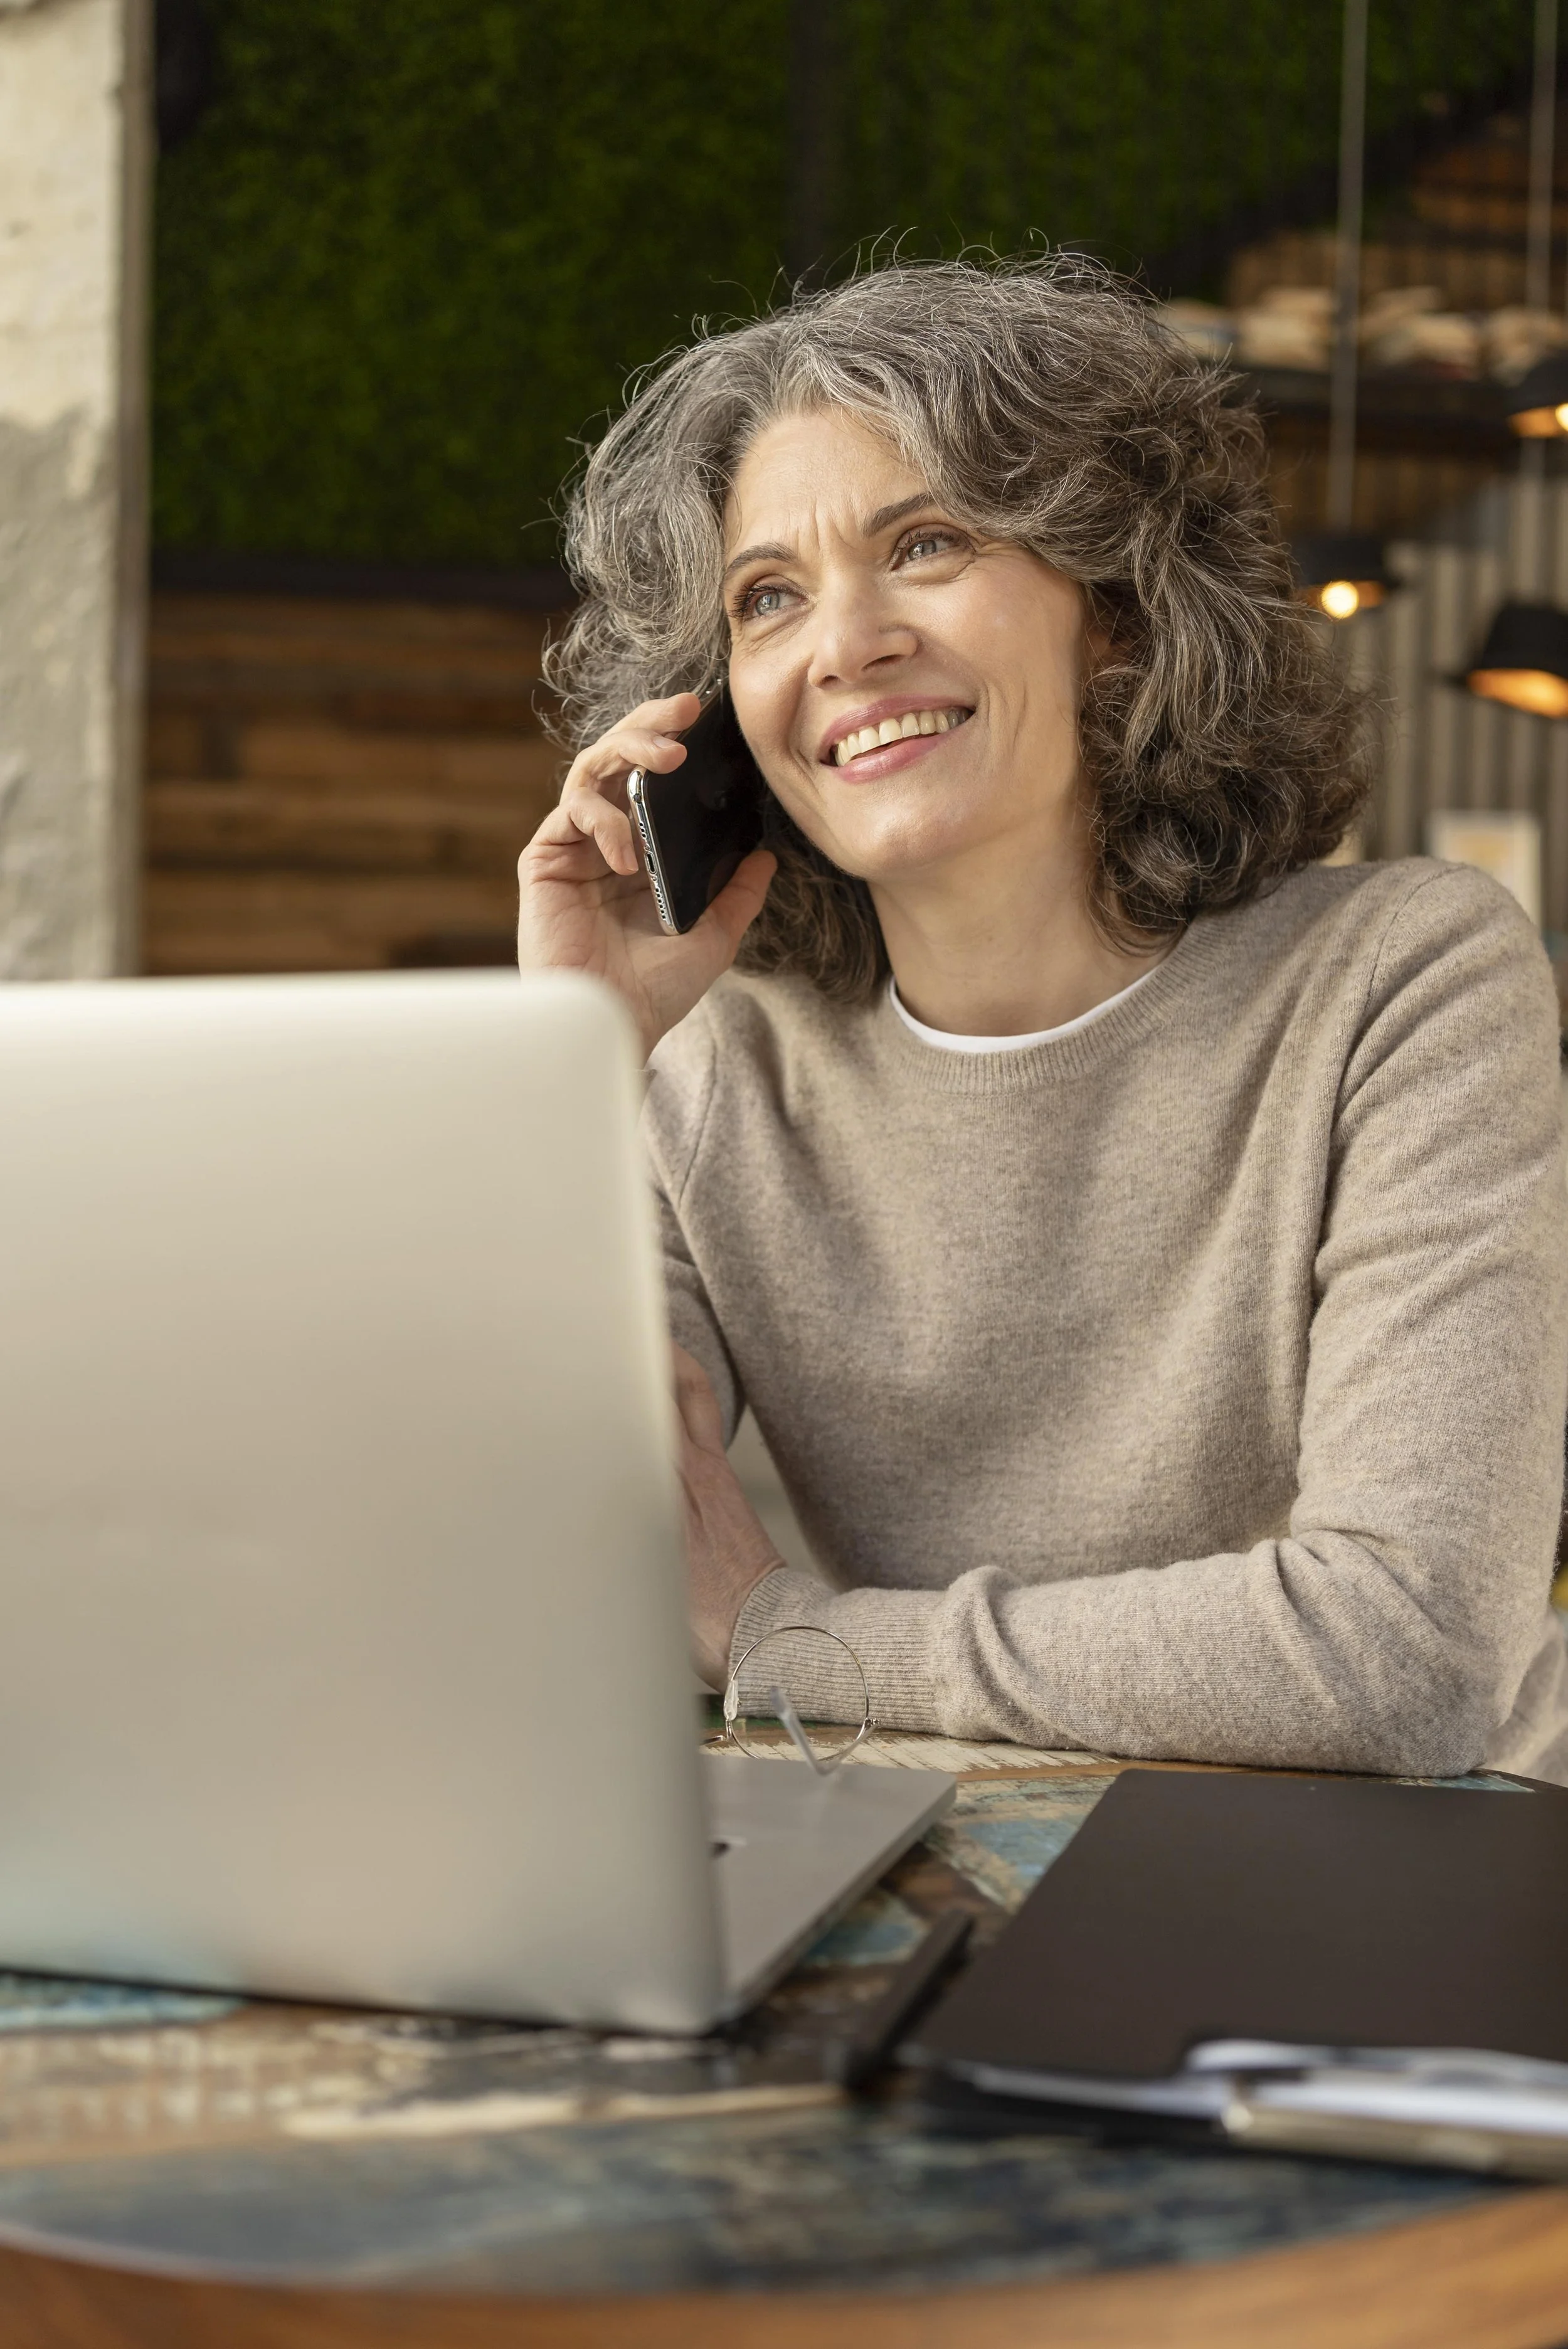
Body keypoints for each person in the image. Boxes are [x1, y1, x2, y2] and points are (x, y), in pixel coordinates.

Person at [517, 255, 1568, 1781]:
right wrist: (572, 1066)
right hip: (960, 1856)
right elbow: (545, 1536)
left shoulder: (1400, 980)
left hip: (1417, 1885)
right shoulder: (720, 1064)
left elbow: (1401, 1655)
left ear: (1119, 616)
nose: (842, 642)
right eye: (766, 598)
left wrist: (793, 1642)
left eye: (925, 542)